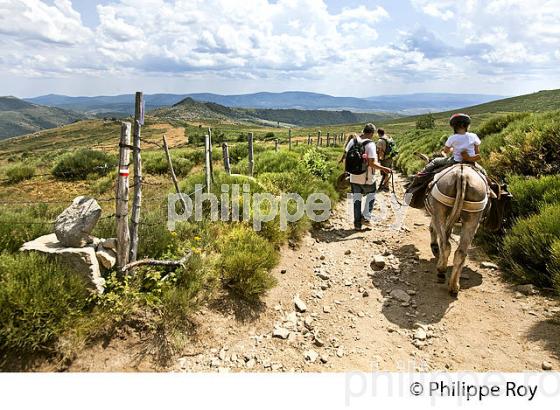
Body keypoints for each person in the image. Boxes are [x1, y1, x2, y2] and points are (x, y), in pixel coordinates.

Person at [405, 113, 486, 208]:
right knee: (484, 174)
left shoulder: (452, 138)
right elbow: (478, 153)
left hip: (455, 161)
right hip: (471, 162)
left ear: (454, 126)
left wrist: (450, 150)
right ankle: (491, 191)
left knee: (435, 161)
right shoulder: (473, 136)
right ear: (467, 125)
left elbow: (445, 152)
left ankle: (420, 175)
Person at [339, 123, 392, 231]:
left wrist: (346, 172)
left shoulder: (352, 141)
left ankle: (357, 225)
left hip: (354, 176)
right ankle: (366, 217)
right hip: (366, 177)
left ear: (363, 130)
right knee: (372, 194)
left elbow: (346, 157)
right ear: (372, 133)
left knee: (356, 200)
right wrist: (384, 168)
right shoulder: (370, 144)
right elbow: (371, 163)